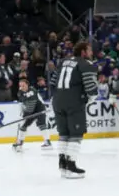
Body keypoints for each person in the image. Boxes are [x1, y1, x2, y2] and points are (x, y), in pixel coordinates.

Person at [50, 41, 96, 178]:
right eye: (89, 50)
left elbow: (52, 83)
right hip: (74, 102)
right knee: (76, 134)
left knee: (64, 133)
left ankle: (62, 165)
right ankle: (71, 166)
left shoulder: (62, 61)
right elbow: (91, 88)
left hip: (58, 101)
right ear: (83, 52)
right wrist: (90, 99)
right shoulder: (86, 64)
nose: (91, 53)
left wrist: (59, 98)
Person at [12, 78, 52, 152]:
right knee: (23, 126)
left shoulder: (32, 91)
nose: (21, 87)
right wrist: (23, 115)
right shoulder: (20, 92)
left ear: (27, 85)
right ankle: (20, 142)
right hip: (30, 110)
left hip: (40, 109)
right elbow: (23, 104)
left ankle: (47, 142)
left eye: (23, 85)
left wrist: (26, 115)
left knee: (42, 125)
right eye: (20, 86)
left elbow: (31, 105)